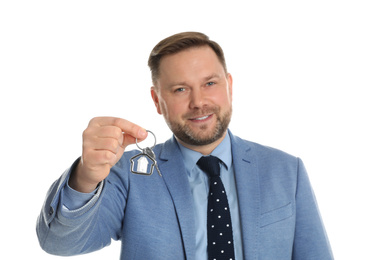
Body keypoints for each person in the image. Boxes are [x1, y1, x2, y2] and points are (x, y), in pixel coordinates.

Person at [36, 32, 334, 259]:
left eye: (210, 83)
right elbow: (59, 243)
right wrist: (86, 176)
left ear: (229, 86)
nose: (198, 102)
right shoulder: (128, 174)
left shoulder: (286, 169)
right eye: (180, 89)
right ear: (157, 100)